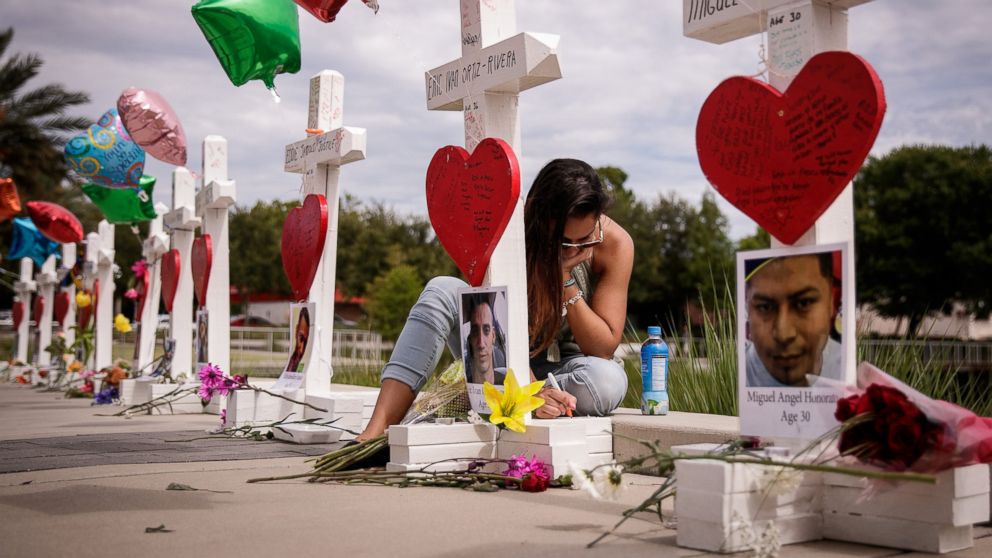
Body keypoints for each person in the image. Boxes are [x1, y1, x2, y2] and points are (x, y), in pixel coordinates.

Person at [357, 158, 634, 441]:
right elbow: (491, 315)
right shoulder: (512, 229)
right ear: (541, 224)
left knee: (607, 381)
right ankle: (377, 429)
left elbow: (602, 347)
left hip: (568, 370)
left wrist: (565, 277)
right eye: (563, 242)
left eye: (585, 239)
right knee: (440, 289)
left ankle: (482, 398)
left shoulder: (614, 244)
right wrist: (529, 389)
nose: (575, 248)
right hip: (501, 355)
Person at [744, 252, 842, 387]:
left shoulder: (849, 372)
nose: (783, 334)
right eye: (765, 307)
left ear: (831, 301)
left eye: (804, 303)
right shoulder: (732, 381)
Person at [463, 294, 506, 385]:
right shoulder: (461, 387)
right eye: (475, 332)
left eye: (486, 330)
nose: (481, 344)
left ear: (493, 336)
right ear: (470, 339)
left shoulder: (507, 381)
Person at [285, 306, 311, 373]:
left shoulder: (306, 362)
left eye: (306, 341)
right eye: (301, 338)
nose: (301, 347)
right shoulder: (291, 363)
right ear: (296, 330)